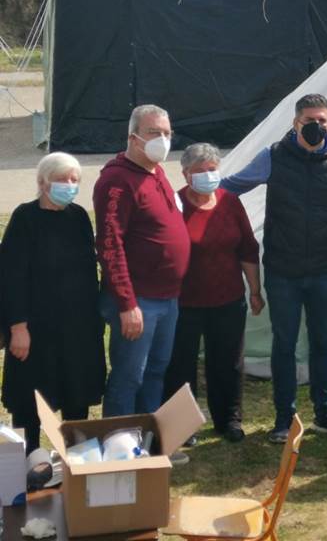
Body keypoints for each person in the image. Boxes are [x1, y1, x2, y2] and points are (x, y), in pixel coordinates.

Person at [221, 94, 327, 444]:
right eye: (309, 120)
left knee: (322, 344)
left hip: (325, 271)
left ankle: (325, 413)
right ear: (295, 123)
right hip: (283, 271)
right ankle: (284, 418)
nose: (316, 126)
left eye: (322, 121)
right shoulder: (273, 157)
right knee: (283, 344)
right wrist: (195, 197)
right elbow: (231, 186)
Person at [0, 153, 105, 453]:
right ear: (42, 182)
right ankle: (29, 458)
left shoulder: (79, 217)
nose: (69, 186)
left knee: (77, 393)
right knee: (30, 400)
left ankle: (76, 455)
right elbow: (11, 277)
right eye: (62, 180)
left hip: (77, 328)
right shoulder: (25, 218)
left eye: (74, 180)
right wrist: (17, 327)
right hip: (35, 330)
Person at [94, 104, 190, 417]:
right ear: (134, 137)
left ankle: (146, 444)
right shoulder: (117, 181)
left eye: (167, 133)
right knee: (128, 376)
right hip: (138, 301)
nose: (163, 139)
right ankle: (118, 448)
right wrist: (126, 303)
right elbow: (110, 245)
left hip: (167, 297)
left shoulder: (155, 171)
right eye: (154, 133)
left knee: (156, 371)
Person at [163, 143, 261, 444]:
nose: (208, 175)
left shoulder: (230, 202)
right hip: (185, 302)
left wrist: (255, 291)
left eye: (212, 169)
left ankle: (229, 419)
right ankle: (184, 425)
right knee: (181, 364)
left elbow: (247, 248)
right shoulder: (174, 204)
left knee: (228, 361)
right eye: (200, 171)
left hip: (228, 299)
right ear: (186, 174)